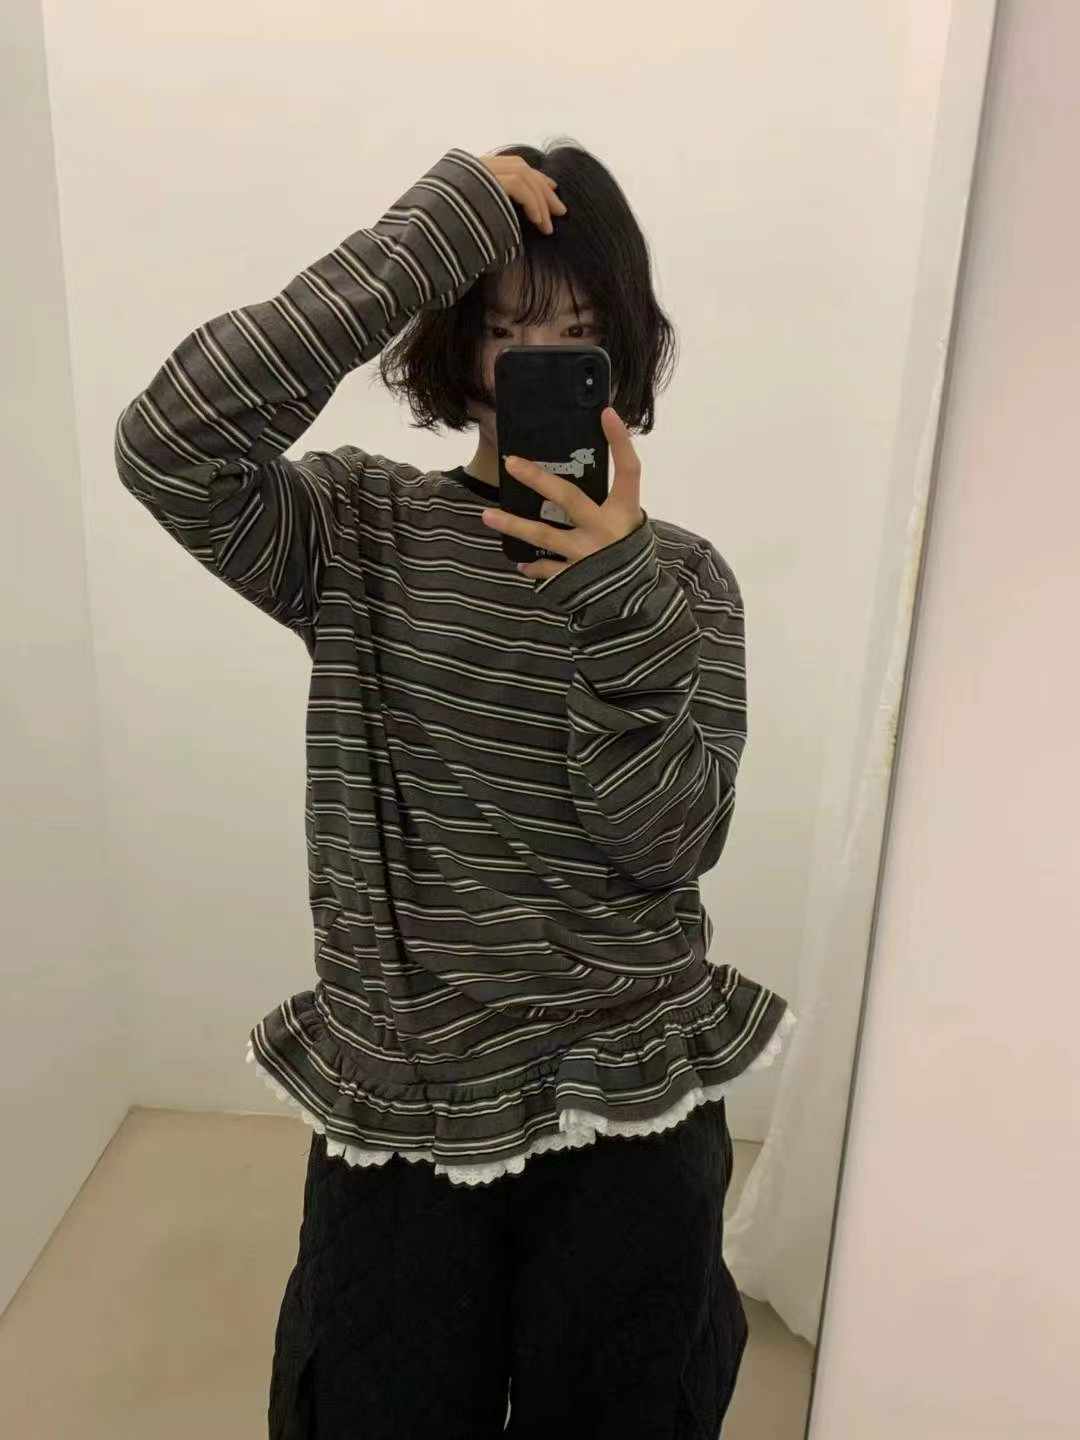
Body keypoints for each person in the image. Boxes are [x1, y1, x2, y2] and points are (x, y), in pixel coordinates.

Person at [114, 139, 795, 1438]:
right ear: (452, 343)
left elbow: (668, 841)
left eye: (575, 333)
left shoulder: (685, 581)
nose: (536, 360)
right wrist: (434, 231)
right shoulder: (355, 531)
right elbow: (171, 444)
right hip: (407, 1086)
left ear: (621, 351)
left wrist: (618, 605)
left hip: (631, 1091)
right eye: (504, 328)